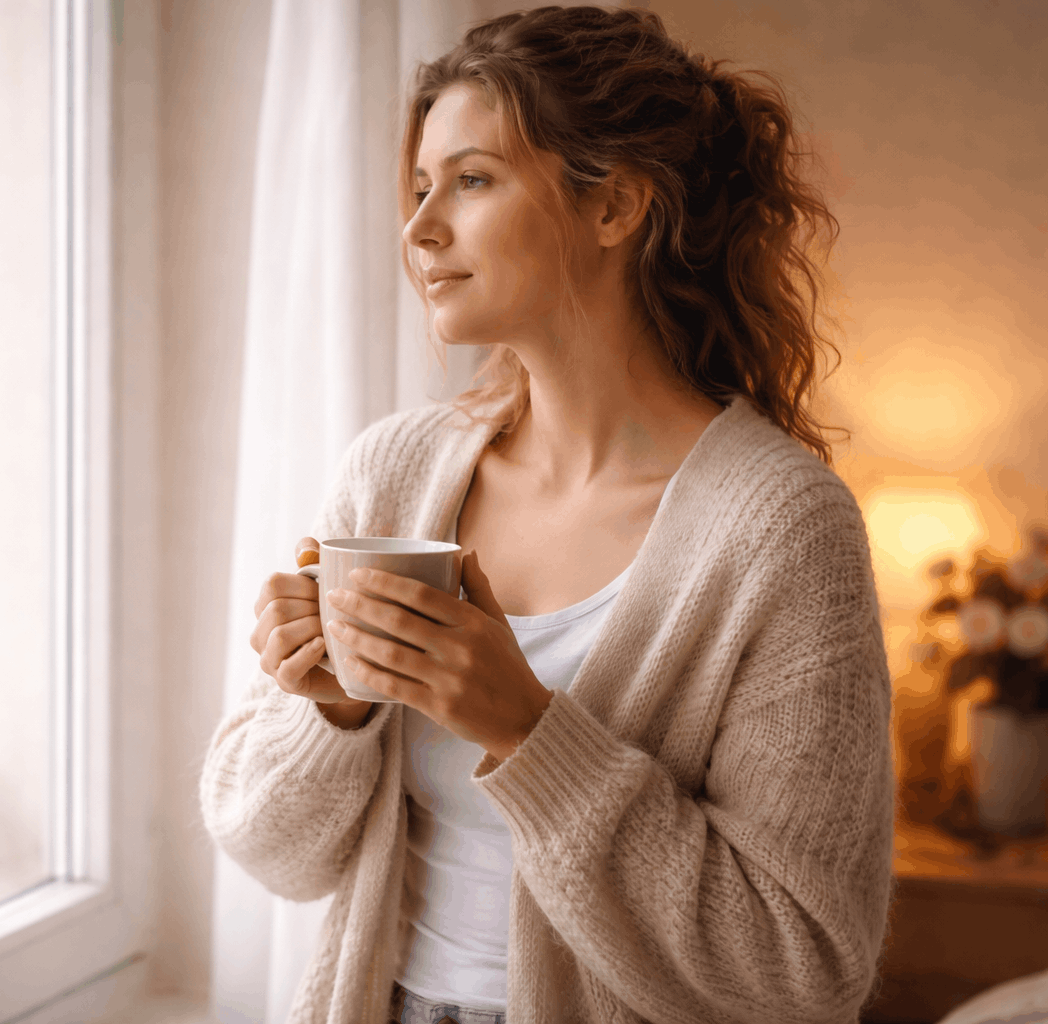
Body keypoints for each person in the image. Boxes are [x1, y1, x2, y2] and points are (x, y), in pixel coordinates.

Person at [200, 7, 893, 1024]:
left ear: (613, 205)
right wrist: (329, 708)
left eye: (472, 180)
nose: (420, 225)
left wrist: (524, 729)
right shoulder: (392, 473)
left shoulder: (782, 531)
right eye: (422, 186)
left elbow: (801, 970)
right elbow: (272, 852)